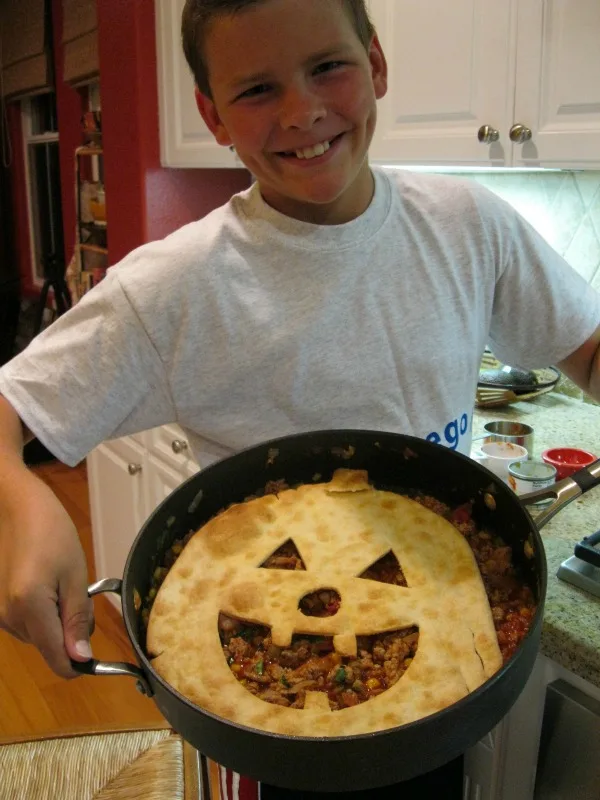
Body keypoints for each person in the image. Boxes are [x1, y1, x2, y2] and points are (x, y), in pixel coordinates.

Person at [0, 0, 598, 795]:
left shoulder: (467, 226)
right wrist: (26, 502)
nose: (302, 111)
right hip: (272, 704)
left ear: (377, 65)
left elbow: (587, 349)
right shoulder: (173, 289)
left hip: (442, 629)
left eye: (328, 67)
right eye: (256, 90)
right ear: (213, 116)